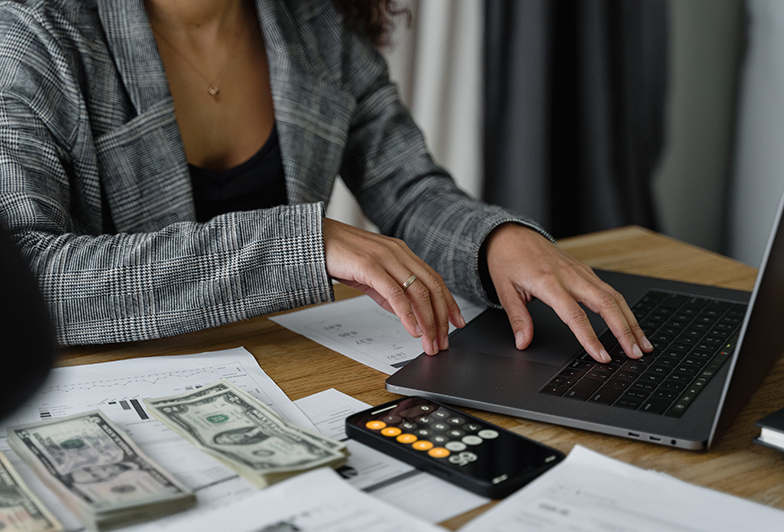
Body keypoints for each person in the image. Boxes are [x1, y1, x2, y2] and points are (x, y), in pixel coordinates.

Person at [0, 0, 651, 364]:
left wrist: (495, 240)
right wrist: (301, 245)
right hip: (110, 403)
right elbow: (28, 279)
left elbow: (409, 188)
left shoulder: (316, 25)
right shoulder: (34, 31)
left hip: (278, 371)